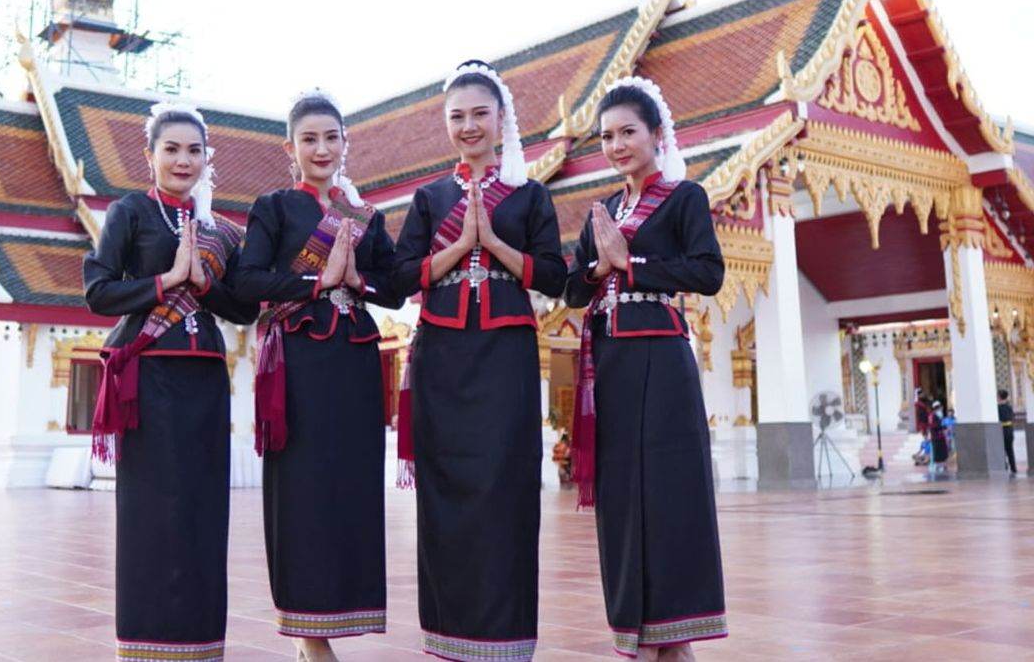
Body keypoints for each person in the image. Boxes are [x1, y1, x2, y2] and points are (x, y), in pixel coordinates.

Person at [391, 60, 566, 661]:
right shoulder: (429, 197)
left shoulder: (530, 194)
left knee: (505, 487)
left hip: (505, 358)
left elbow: (556, 275)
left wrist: (493, 245)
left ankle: (505, 638)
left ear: (501, 121)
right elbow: (394, 278)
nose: (468, 126)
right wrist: (459, 249)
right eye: (456, 117)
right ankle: (447, 634)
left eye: (479, 115)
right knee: (444, 488)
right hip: (442, 354)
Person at [84, 101, 258, 662]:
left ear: (208, 158)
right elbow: (99, 291)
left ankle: (202, 643)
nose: (184, 160)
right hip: (149, 379)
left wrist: (204, 284)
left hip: (205, 376)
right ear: (150, 156)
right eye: (172, 149)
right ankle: (143, 643)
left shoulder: (218, 229)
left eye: (194, 150)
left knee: (203, 512)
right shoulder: (131, 212)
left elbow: (246, 310)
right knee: (151, 512)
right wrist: (166, 281)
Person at [236, 90, 403, 660]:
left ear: (345, 143)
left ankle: (339, 612)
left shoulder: (364, 216)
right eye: (310, 138)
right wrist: (313, 284)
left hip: (354, 363)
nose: (322, 148)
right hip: (300, 368)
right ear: (291, 147)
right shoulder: (275, 208)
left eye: (332, 137)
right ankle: (310, 636)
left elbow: (396, 288)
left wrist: (358, 282)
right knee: (303, 493)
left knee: (349, 492)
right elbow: (248, 281)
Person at [564, 77, 728, 660]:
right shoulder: (602, 210)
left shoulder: (685, 198)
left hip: (661, 357)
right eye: (607, 136)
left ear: (657, 135)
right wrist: (594, 268)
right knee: (621, 496)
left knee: (669, 492)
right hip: (610, 362)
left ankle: (676, 635)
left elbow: (707, 273)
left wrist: (629, 265)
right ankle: (634, 627)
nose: (616, 145)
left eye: (628, 132)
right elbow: (571, 289)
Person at [927, 400, 949, 477]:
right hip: (936, 437)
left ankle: (943, 465)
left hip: (941, 436)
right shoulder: (932, 416)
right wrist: (942, 427)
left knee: (943, 451)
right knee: (937, 452)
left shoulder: (939, 416)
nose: (941, 409)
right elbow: (934, 426)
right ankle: (937, 466)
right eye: (940, 407)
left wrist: (944, 427)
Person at [998, 389, 1017, 477]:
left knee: (1005, 450)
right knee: (1009, 450)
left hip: (1003, 430)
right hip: (1009, 430)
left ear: (999, 397)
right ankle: (1013, 468)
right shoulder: (1009, 407)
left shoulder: (998, 408)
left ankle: (1007, 467)